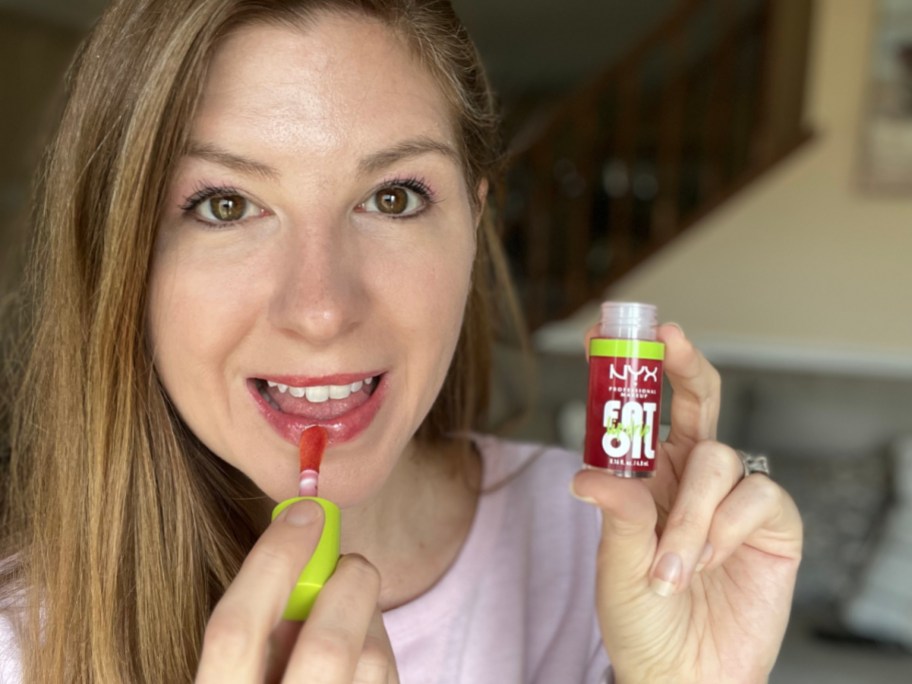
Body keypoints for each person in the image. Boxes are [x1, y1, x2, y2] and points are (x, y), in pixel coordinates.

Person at [0, 0, 803, 681]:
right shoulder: (19, 642)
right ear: (118, 254)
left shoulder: (612, 543)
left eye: (391, 198)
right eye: (225, 206)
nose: (320, 310)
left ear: (473, 226)